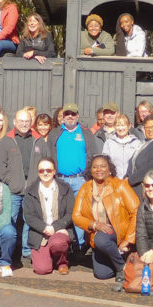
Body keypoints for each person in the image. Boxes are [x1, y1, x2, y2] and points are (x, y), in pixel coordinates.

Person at [72, 155, 139, 289]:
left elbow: (136, 211)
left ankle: (121, 267)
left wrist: (129, 239)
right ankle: (120, 260)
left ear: (110, 169)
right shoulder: (85, 188)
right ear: (90, 170)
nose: (99, 170)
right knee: (102, 274)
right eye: (95, 167)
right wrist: (94, 225)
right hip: (99, 232)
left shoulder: (120, 185)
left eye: (103, 166)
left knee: (101, 240)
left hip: (118, 231)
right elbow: (76, 216)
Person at [0, 109, 52, 262]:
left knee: (29, 221)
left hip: (34, 190)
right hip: (13, 191)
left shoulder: (38, 140)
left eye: (27, 121)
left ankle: (27, 251)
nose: (24, 124)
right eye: (21, 121)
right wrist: (11, 182)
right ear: (15, 122)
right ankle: (7, 251)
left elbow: (48, 162)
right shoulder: (7, 140)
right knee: (9, 222)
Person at [49, 102, 101, 252]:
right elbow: (49, 156)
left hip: (80, 180)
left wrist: (88, 177)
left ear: (78, 116)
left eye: (73, 114)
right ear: (62, 117)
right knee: (60, 212)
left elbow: (94, 156)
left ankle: (79, 246)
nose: (70, 117)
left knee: (80, 213)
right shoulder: (55, 133)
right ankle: (62, 245)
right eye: (67, 114)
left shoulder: (85, 133)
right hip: (60, 179)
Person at [22, 158, 73, 275]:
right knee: (42, 270)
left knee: (58, 243)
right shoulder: (30, 190)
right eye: (41, 170)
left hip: (59, 230)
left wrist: (56, 227)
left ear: (54, 171)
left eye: (49, 170)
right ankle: (49, 258)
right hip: (40, 233)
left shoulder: (65, 188)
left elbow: (71, 212)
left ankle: (62, 262)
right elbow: (28, 216)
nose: (45, 173)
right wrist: (44, 228)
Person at [127, 114, 153, 198]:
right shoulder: (144, 143)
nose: (150, 130)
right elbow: (132, 162)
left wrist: (130, 180)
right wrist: (127, 177)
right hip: (135, 188)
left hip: (151, 190)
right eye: (147, 127)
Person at [101, 113, 141, 181]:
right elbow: (105, 163)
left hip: (131, 182)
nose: (120, 128)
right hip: (114, 181)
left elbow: (139, 164)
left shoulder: (137, 143)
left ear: (129, 126)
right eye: (118, 125)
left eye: (123, 125)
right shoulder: (109, 143)